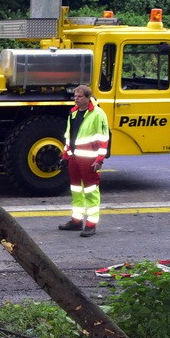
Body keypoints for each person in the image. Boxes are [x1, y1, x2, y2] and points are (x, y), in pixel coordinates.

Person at [58, 85, 110, 237]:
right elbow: (69, 136)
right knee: (76, 190)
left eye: (79, 96)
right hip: (75, 158)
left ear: (88, 98)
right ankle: (76, 221)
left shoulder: (98, 113)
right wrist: (65, 155)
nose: (76, 99)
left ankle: (91, 224)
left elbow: (103, 138)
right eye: (75, 96)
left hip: (89, 159)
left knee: (91, 191)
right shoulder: (73, 113)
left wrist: (99, 159)